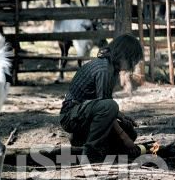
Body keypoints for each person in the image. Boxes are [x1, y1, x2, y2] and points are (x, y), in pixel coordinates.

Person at [59, 34, 144, 163]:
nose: (132, 64)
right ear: (123, 55)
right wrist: (124, 137)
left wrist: (121, 117)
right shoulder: (103, 69)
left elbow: (100, 103)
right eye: (132, 59)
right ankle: (90, 152)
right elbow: (106, 106)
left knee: (131, 133)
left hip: (84, 114)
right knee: (112, 109)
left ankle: (80, 139)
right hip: (70, 117)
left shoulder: (111, 69)